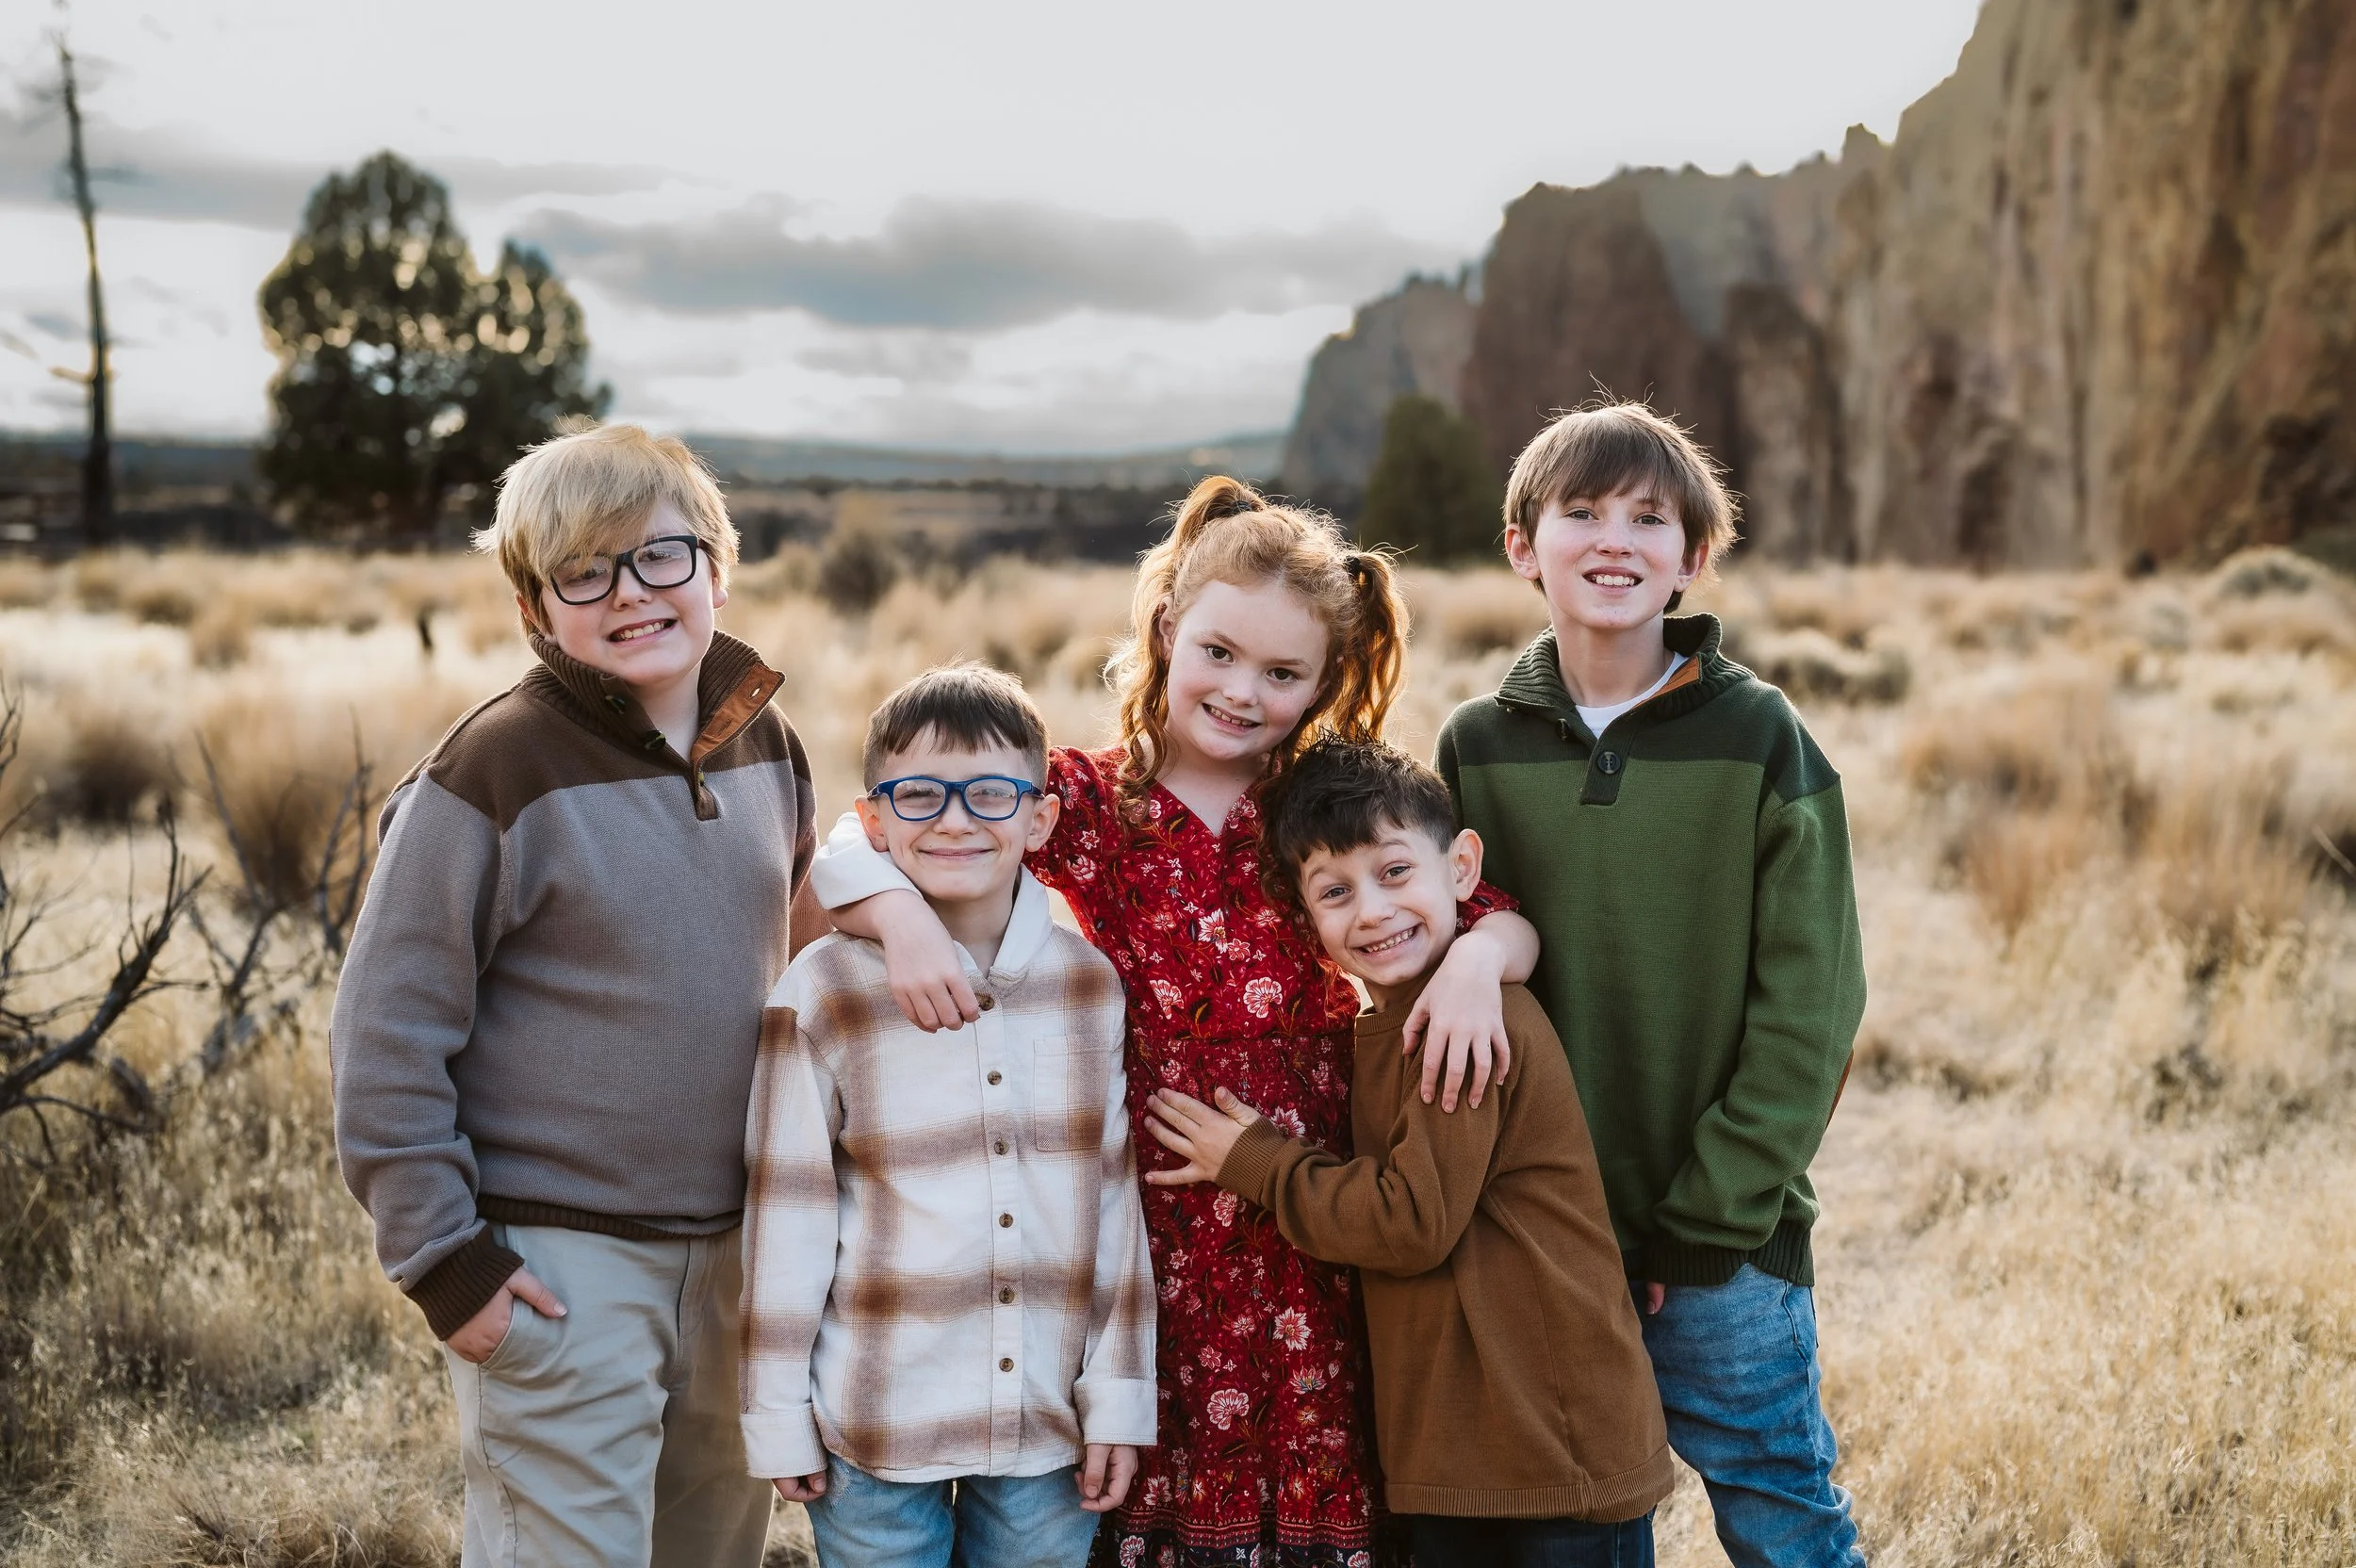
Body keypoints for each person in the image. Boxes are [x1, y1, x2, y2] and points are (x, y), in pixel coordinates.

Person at [810, 477, 1539, 1567]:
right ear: (1166, 629)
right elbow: (855, 834)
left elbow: (1486, 910)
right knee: (1152, 1452)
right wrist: (900, 922)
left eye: (1282, 673)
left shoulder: (1321, 807)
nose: (1243, 691)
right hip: (1147, 1208)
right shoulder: (1092, 800)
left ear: (1323, 681)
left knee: (1318, 1443)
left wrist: (1483, 957)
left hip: (1307, 1196)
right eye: (1220, 653)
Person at [331, 422, 826, 1568]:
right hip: (562, 1262)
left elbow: (808, 945)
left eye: (660, 555)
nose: (631, 594)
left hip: (741, 1247)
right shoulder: (492, 770)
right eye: (584, 572)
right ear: (535, 608)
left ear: (716, 564)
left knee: (710, 1546)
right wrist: (449, 1266)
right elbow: (384, 1036)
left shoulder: (766, 738)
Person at [1434, 401, 1870, 1568]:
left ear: (1691, 556)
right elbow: (1435, 932)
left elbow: (1810, 1011)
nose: (1613, 538)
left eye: (1648, 516)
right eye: (1579, 512)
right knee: (1580, 1522)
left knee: (1778, 1503)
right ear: (1524, 544)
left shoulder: (1761, 736)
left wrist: (1706, 1221)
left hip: (1717, 1241)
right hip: (1542, 1232)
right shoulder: (1477, 742)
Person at [1141, 738, 1675, 1568]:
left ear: (1461, 867)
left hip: (1551, 1453)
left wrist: (1254, 1160)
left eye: (1395, 872)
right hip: (1468, 1454)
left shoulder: (1465, 1024)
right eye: (1335, 892)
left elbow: (1410, 1221)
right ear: (1308, 921)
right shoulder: (1388, 1028)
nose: (1374, 911)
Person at [740, 663, 1156, 1568]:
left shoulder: (1088, 987)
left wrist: (1119, 1393)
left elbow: (1115, 1207)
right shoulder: (825, 992)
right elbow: (787, 1214)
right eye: (921, 795)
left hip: (1046, 1421)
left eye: (992, 795)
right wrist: (775, 1409)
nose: (958, 819)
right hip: (877, 1414)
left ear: (1040, 818)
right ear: (876, 820)